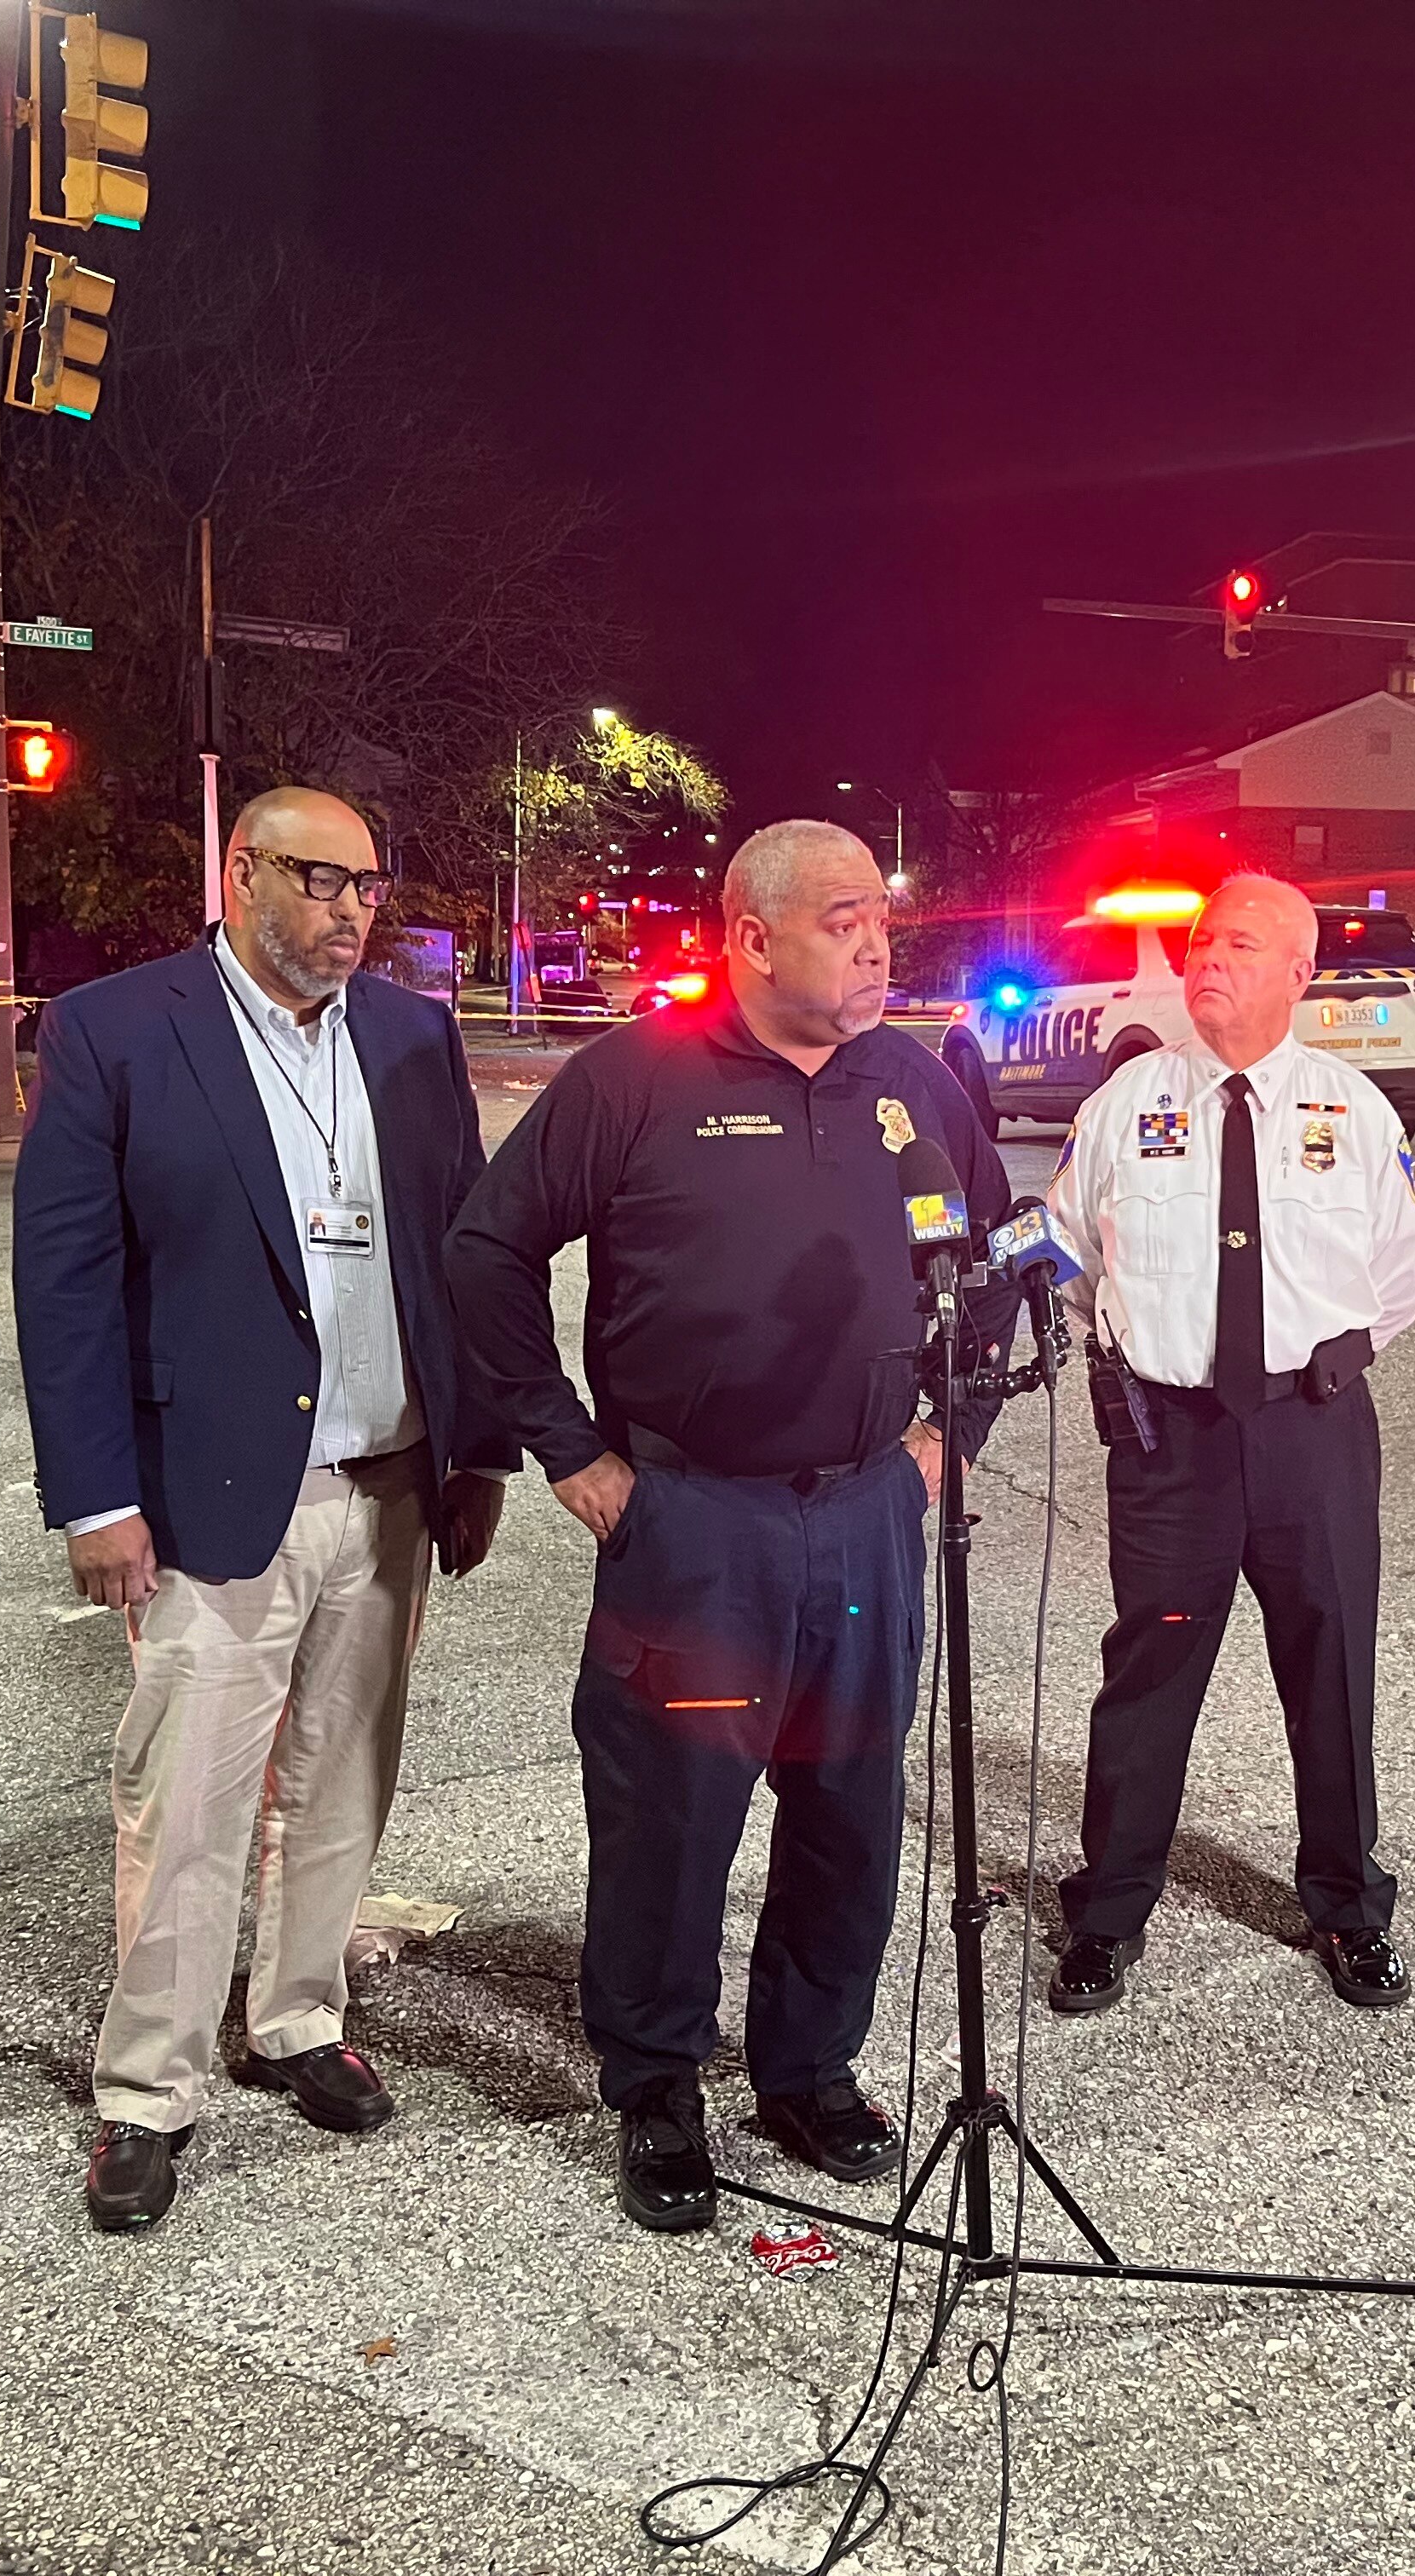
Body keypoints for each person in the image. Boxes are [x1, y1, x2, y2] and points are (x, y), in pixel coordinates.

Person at [445, 820, 1014, 2234]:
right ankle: (655, 2082)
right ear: (752, 938)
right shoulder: (637, 1079)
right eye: (842, 920)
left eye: (881, 918)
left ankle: (808, 2068)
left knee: (851, 1809)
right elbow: (487, 1253)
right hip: (695, 1525)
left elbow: (992, 1266)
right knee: (672, 1817)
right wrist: (570, 1452)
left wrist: (953, 1432)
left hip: (871, 1514)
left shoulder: (918, 1082)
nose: (877, 944)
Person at [14, 785, 514, 2234]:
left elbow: (460, 1255)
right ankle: (145, 2093)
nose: (354, 910)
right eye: (322, 881)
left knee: (344, 1782)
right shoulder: (118, 1028)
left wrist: (471, 1453)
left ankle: (298, 2018)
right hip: (206, 1495)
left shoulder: (414, 1038)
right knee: (187, 1804)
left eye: (371, 886)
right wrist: (96, 1496)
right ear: (239, 874)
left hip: (393, 1479)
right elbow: (65, 1284)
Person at [1039, 873, 1415, 2017]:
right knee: (1151, 1671)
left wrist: (1323, 1365)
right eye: (1204, 939)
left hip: (1312, 1433)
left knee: (1331, 1665)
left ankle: (1349, 1908)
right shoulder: (1127, 1103)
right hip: (1171, 1444)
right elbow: (1068, 1255)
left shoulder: (1350, 1110)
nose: (1211, 956)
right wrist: (1133, 1356)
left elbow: (1405, 1270)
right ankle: (1108, 1914)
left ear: (1299, 976)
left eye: (1243, 943)